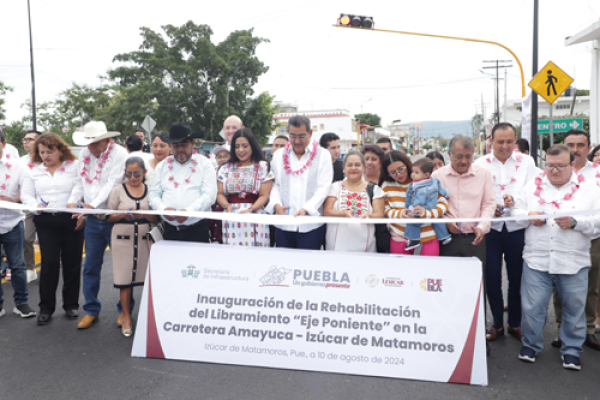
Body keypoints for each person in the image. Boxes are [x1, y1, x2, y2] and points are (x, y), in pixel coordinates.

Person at [513, 144, 600, 371]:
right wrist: (528, 216)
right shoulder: (533, 186)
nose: (554, 171)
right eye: (550, 166)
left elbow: (598, 222)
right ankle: (530, 344)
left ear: (572, 164)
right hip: (536, 259)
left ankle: (571, 351)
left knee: (574, 309)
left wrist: (576, 222)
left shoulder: (590, 189)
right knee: (532, 307)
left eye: (560, 166)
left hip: (573, 261)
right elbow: (516, 212)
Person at [474, 123, 538, 342]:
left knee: (518, 277)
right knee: (491, 277)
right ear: (490, 141)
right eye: (499, 141)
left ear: (515, 140)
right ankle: (496, 325)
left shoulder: (527, 162)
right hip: (490, 229)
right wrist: (490, 207)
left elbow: (533, 191)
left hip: (517, 228)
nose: (504, 146)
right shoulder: (480, 163)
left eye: (509, 141)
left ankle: (515, 323)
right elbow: (476, 195)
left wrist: (514, 201)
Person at [67, 121, 129, 329]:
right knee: (91, 267)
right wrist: (72, 202)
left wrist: (91, 206)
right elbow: (80, 182)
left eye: (93, 143)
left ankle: (125, 311)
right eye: (88, 143)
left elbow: (112, 184)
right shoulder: (84, 155)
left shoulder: (119, 154)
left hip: (113, 218)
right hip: (93, 220)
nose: (90, 147)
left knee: (122, 268)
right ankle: (91, 310)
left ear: (105, 140)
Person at [21, 133, 83, 325]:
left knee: (72, 263)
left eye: (50, 151)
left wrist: (74, 203)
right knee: (49, 264)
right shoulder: (33, 171)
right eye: (42, 152)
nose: (46, 155)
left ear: (60, 150)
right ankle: (46, 308)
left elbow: (79, 187)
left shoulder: (73, 167)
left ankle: (71, 305)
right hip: (46, 221)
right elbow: (26, 195)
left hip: (70, 219)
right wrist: (35, 206)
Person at [550, 129, 600, 351]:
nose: (576, 149)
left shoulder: (597, 173)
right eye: (571, 145)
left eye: (581, 145)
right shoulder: (554, 172)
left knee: (590, 286)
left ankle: (588, 329)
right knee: (562, 286)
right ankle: (564, 329)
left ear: (589, 149)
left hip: (592, 236)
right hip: (562, 235)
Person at [107, 157, 157, 337]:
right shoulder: (117, 191)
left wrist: (145, 214)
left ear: (144, 173)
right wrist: (122, 215)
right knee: (124, 280)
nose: (133, 177)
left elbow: (157, 217)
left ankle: (150, 317)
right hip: (122, 239)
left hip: (144, 239)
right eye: (128, 174)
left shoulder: (151, 191)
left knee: (148, 279)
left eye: (137, 174)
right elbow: (108, 216)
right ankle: (126, 316)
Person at [267, 115, 332, 249]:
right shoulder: (279, 155)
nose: (296, 141)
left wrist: (306, 209)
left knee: (308, 266)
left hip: (310, 225)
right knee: (283, 266)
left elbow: (324, 187)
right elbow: (274, 185)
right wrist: (276, 205)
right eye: (292, 136)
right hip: (283, 223)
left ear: (310, 133)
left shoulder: (323, 155)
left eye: (301, 136)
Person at [432, 135, 495, 267]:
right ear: (449, 154)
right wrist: (446, 221)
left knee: (475, 282)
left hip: (475, 239)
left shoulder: (484, 174)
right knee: (447, 280)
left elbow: (488, 204)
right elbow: (431, 206)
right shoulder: (437, 176)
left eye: (468, 156)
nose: (464, 161)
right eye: (459, 156)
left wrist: (481, 228)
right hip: (446, 239)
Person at [149, 123, 217, 242]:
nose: (180, 149)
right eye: (176, 145)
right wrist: (163, 209)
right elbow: (153, 195)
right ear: (170, 146)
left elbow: (209, 195)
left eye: (184, 144)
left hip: (197, 229)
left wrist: (188, 212)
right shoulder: (162, 166)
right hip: (170, 230)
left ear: (193, 144)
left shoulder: (204, 164)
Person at [381, 151, 449, 256]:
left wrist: (427, 213)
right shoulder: (386, 185)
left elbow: (443, 203)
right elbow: (384, 210)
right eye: (393, 172)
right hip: (399, 237)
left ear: (407, 165)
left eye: (400, 169)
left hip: (427, 237)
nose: (398, 174)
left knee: (428, 271)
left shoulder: (423, 180)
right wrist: (400, 214)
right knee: (400, 271)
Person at [0, 130, 36, 319]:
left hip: (13, 222)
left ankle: (21, 303)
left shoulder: (18, 167)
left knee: (18, 266)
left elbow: (28, 193)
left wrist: (12, 199)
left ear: (4, 144)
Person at [216, 129, 274, 246]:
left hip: (255, 215)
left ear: (252, 146)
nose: (241, 150)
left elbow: (264, 195)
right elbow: (220, 193)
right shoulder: (225, 168)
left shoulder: (263, 166)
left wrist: (251, 209)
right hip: (231, 216)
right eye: (237, 147)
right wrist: (226, 206)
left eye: (245, 146)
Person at [323, 150, 384, 251]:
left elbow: (379, 214)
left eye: (357, 165)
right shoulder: (334, 187)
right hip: (336, 246)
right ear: (344, 168)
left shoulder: (374, 189)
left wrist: (369, 216)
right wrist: (344, 214)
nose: (353, 168)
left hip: (365, 245)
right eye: (349, 165)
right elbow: (326, 211)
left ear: (364, 168)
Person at [403, 157, 452, 251]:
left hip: (422, 207)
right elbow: (441, 191)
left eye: (416, 172)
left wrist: (411, 208)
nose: (413, 174)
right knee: (438, 220)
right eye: (413, 171)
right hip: (433, 204)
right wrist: (447, 193)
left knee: (414, 223)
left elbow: (418, 200)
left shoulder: (417, 186)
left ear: (426, 174)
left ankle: (414, 240)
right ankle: (444, 236)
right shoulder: (434, 181)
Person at [20, 129, 42, 283]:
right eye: (24, 139)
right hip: (28, 204)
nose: (26, 141)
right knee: (27, 238)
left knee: (49, 240)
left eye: (30, 139)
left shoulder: (47, 157)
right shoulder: (20, 161)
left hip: (47, 205)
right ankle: (30, 268)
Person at [208, 145, 230, 244]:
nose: (222, 159)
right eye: (219, 157)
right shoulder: (211, 173)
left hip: (229, 212)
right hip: (214, 214)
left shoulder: (236, 172)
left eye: (226, 156)